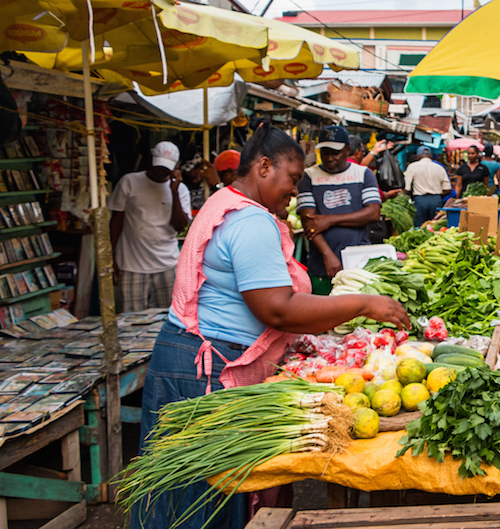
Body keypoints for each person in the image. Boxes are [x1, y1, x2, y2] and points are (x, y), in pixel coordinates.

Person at [133, 124, 409, 529]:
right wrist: (363, 304)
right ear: (263, 167)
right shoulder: (249, 221)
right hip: (206, 369)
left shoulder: (225, 202)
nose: (295, 191)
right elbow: (277, 309)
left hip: (189, 357)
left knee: (185, 493)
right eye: (292, 178)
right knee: (201, 499)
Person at [297, 126, 382, 295]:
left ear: (347, 150)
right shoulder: (308, 176)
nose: (329, 158)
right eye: (325, 153)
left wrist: (329, 220)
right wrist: (328, 255)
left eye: (335, 153)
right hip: (322, 266)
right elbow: (309, 223)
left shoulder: (363, 174)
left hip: (359, 262)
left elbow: (373, 213)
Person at [109, 141, 192, 312]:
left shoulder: (181, 190)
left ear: (175, 167)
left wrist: (174, 191)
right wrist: (111, 256)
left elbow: (180, 226)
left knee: (170, 316)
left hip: (167, 264)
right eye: (158, 166)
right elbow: (116, 220)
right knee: (131, 318)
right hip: (132, 265)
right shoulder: (129, 182)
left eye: (166, 168)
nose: (161, 171)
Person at [404, 146, 451, 226]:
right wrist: (437, 196)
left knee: (420, 228)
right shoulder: (439, 167)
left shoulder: (412, 166)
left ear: (418, 156)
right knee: (436, 226)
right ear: (431, 156)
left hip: (420, 200)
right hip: (436, 200)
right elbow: (448, 189)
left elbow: (407, 189)